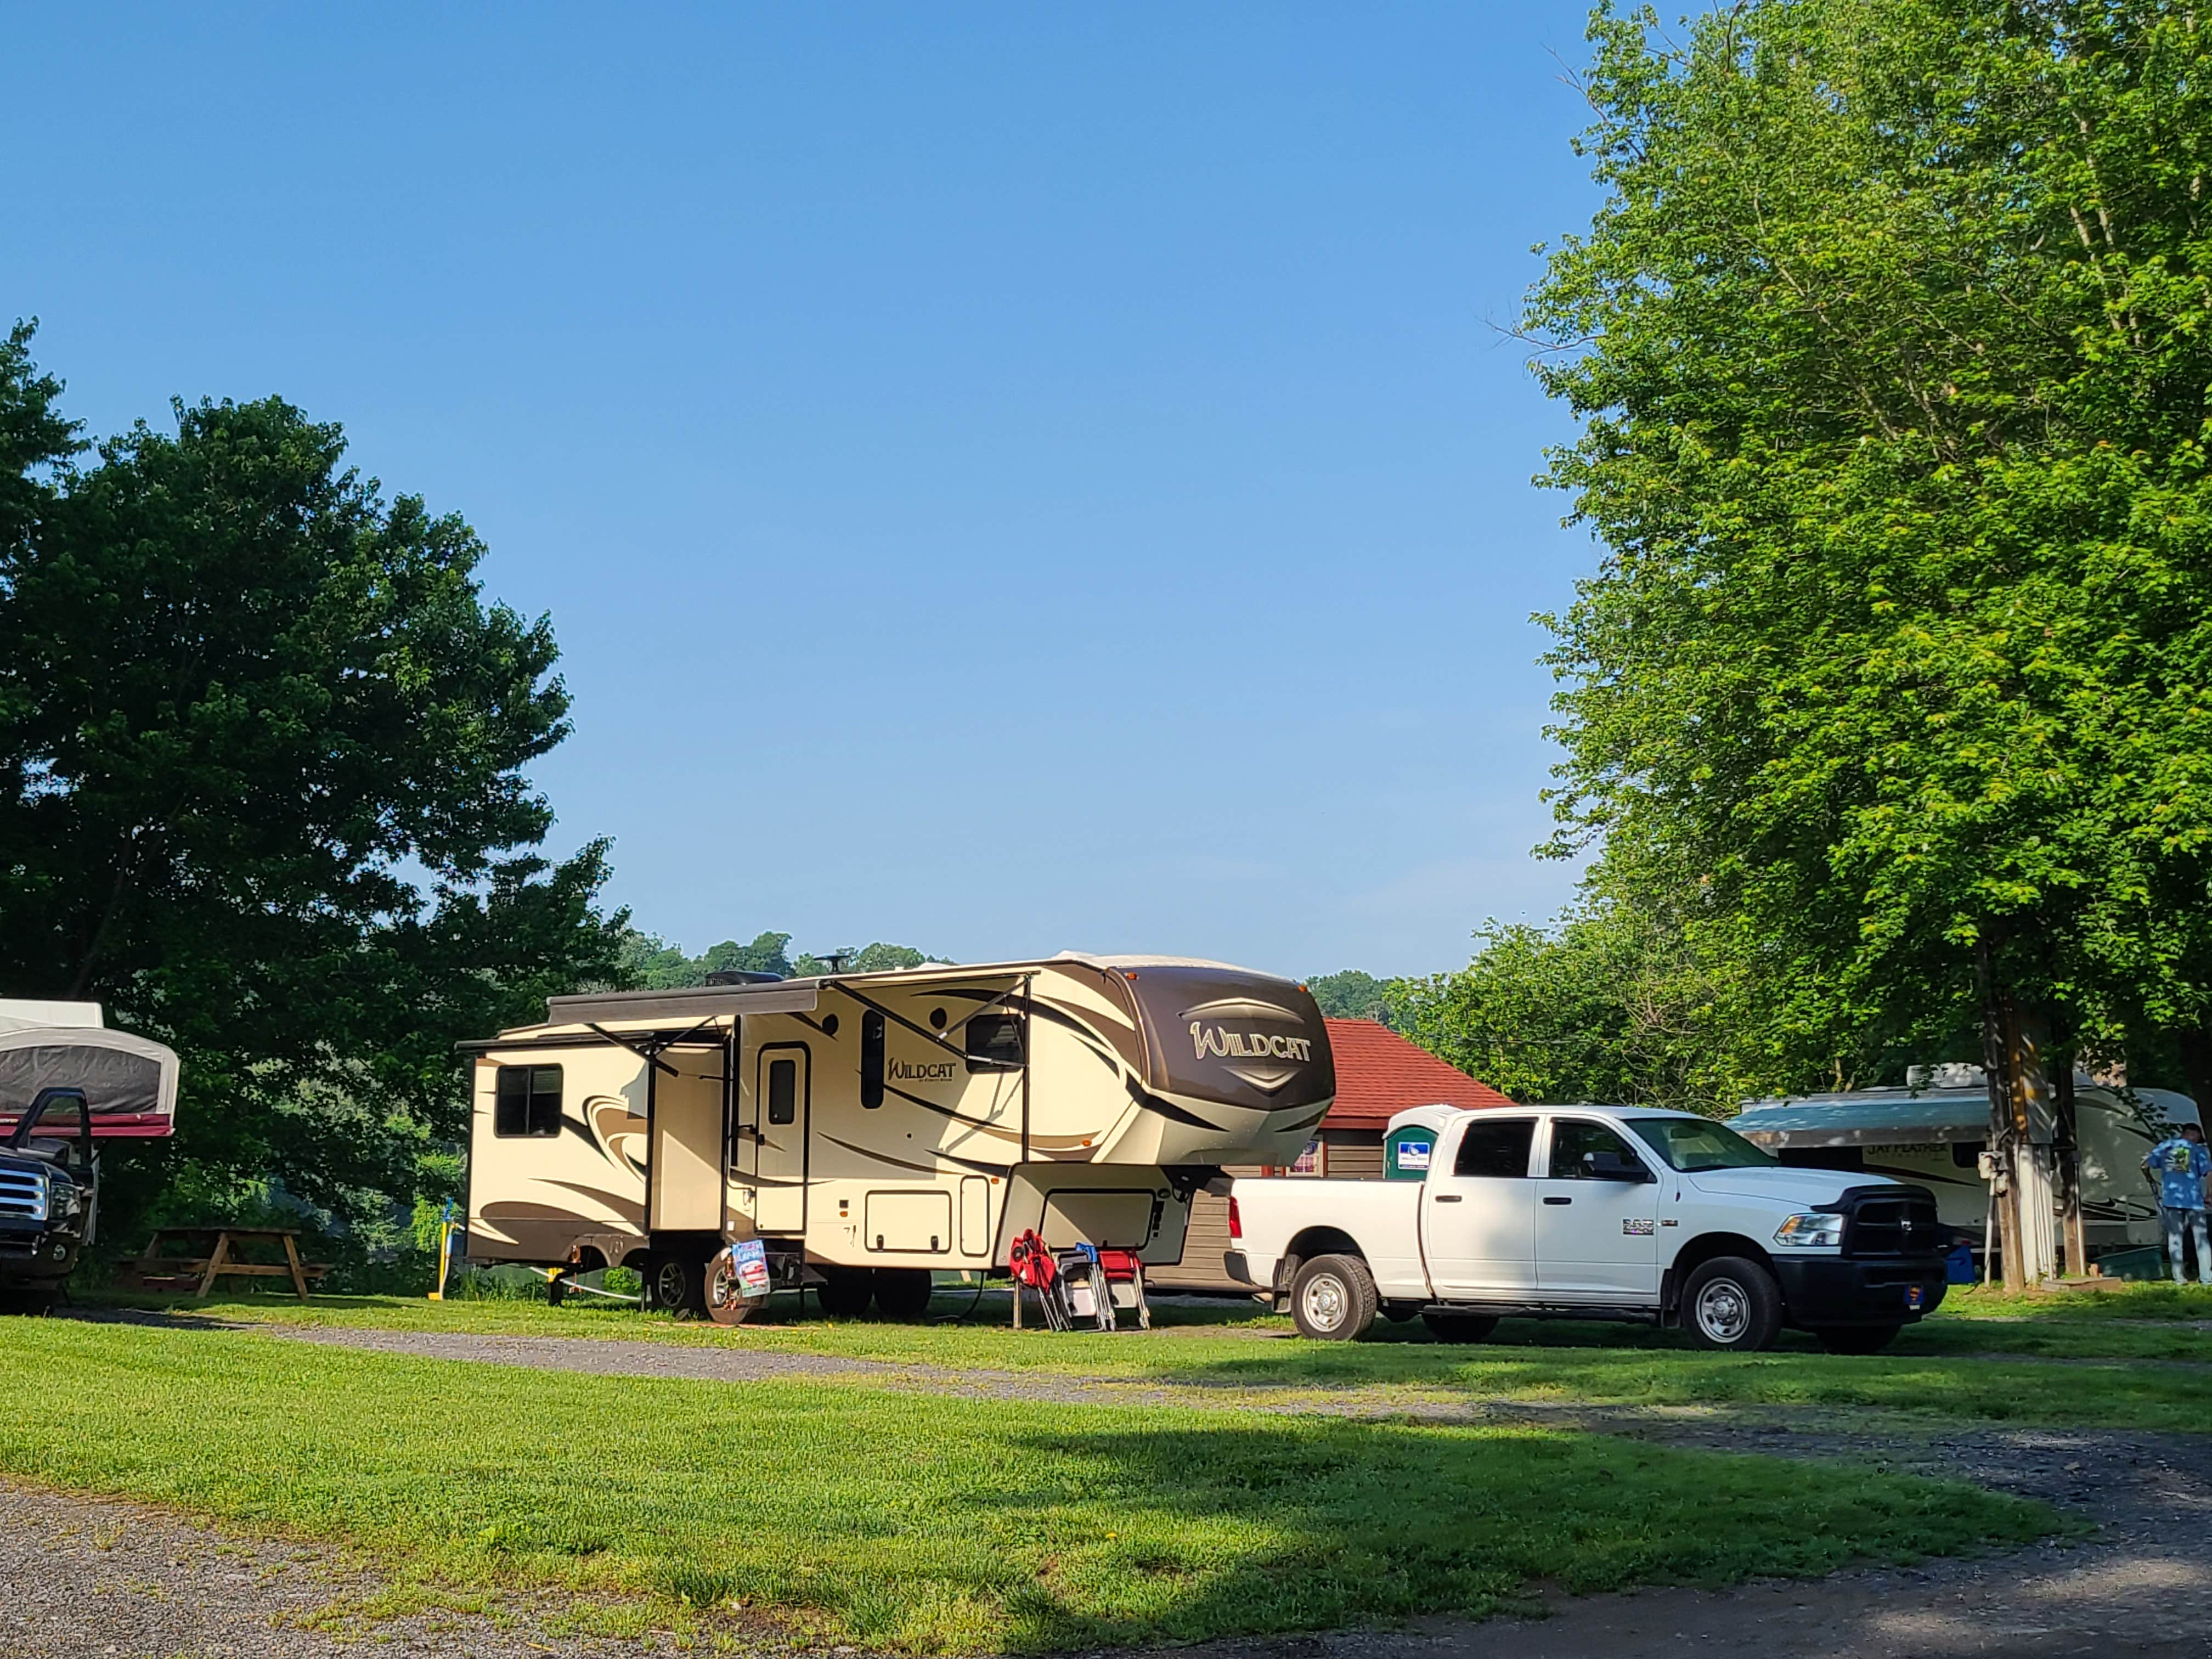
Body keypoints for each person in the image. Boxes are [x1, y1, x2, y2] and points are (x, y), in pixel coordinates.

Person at [2143, 1121, 2211, 1288]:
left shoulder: (2165, 1146)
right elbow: (2209, 1172)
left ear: (2183, 1133)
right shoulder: (2198, 1150)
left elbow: (2145, 1165)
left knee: (2175, 1239)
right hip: (2194, 1200)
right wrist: (2209, 1195)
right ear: (2195, 1135)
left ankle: (2179, 1279)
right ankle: (2207, 1279)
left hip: (2171, 1199)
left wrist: (2149, 1178)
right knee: (2201, 1239)